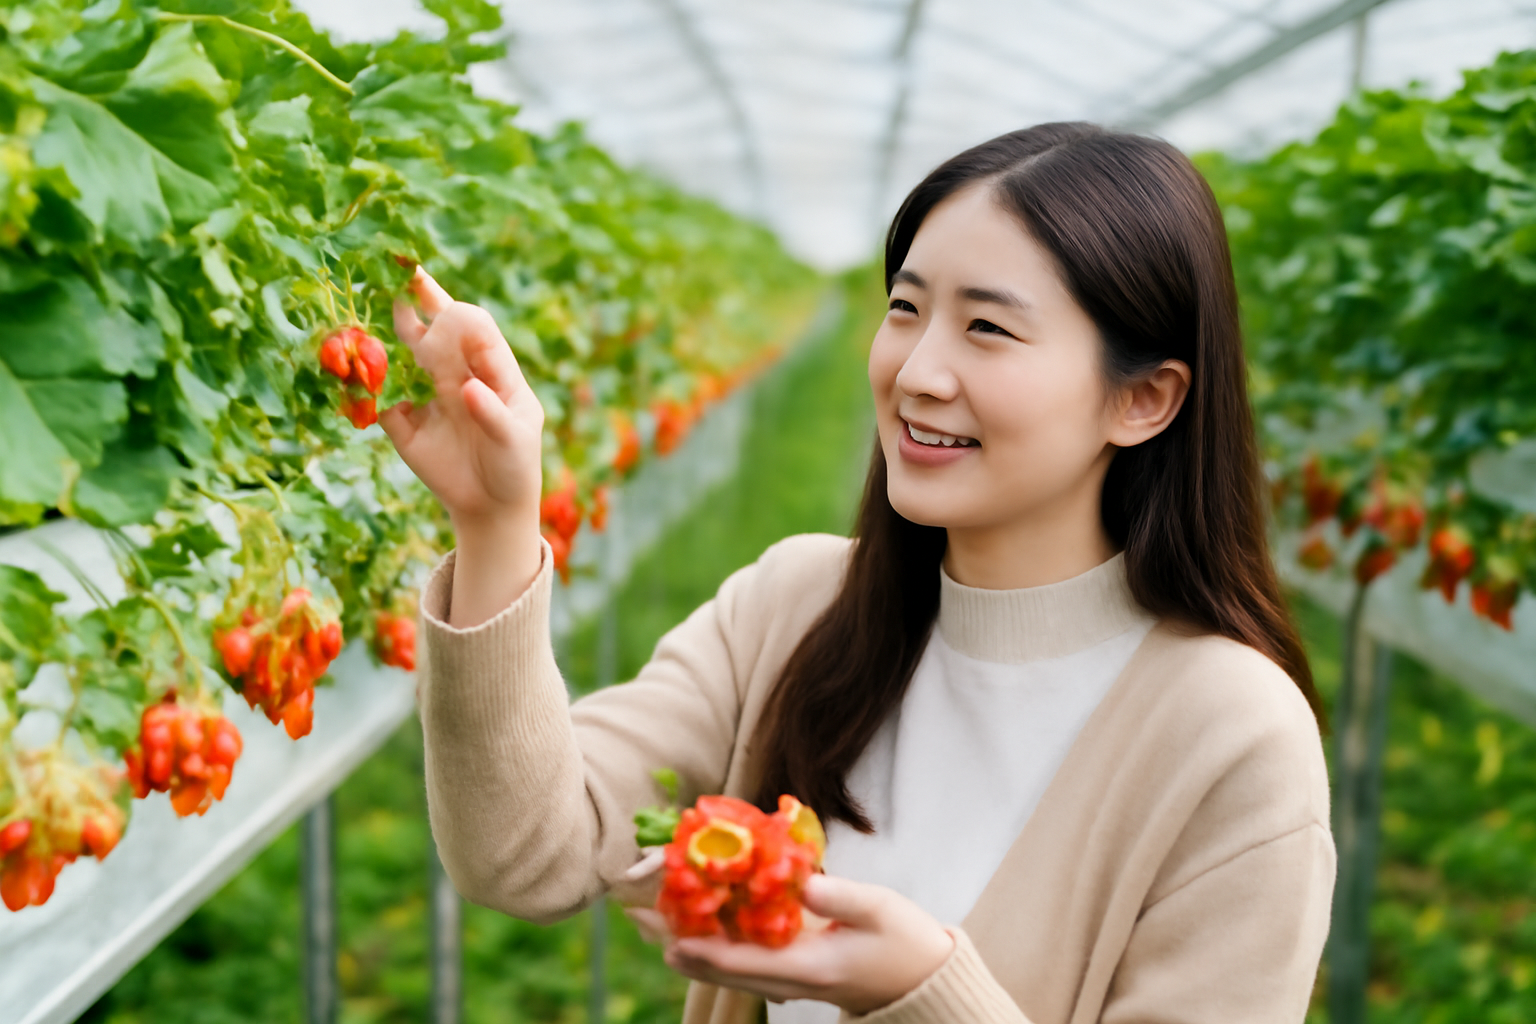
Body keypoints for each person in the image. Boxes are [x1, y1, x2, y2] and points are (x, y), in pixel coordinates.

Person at [382, 122, 1335, 1024]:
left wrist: (919, 992)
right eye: (906, 309)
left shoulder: (1232, 737)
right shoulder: (795, 604)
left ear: (1144, 399)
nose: (917, 372)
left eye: (987, 328)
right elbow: (527, 852)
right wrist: (494, 522)